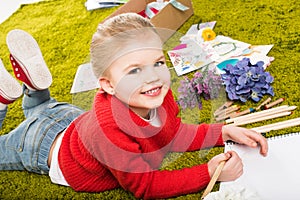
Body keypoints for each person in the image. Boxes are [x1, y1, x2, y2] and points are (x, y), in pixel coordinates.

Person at [0, 13, 268, 199]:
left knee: (42, 110)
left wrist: (223, 132)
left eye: (158, 63)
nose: (152, 76)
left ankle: (36, 90)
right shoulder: (109, 132)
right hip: (40, 146)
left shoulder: (155, 94)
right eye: (134, 71)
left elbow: (173, 134)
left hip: (69, 118)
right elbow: (146, 186)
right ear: (108, 86)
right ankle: (5, 102)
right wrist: (207, 172)